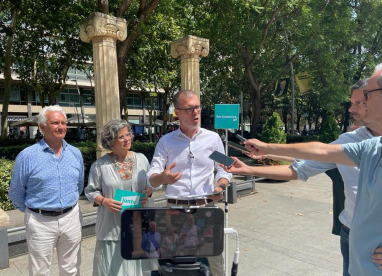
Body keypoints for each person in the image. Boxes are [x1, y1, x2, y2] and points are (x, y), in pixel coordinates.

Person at [228, 64, 382, 276]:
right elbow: (310, 159)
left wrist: (267, 150)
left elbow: (317, 152)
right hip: (353, 234)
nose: (351, 109)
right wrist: (252, 166)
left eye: (362, 99)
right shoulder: (357, 144)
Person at [147, 89, 232, 276]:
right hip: (175, 211)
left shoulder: (212, 139)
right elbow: (152, 175)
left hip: (206, 209)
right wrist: (163, 177)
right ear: (177, 112)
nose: (195, 112)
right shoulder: (166, 142)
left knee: (216, 264)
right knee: (177, 265)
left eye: (198, 107)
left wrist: (221, 186)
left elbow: (224, 167)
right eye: (189, 109)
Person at [9, 105, 84, 276]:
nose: (61, 127)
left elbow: (79, 186)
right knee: (40, 272)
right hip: (39, 220)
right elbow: (16, 192)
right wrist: (34, 211)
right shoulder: (27, 156)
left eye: (63, 123)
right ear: (42, 127)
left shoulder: (75, 153)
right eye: (55, 123)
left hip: (71, 217)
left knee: (71, 268)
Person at [84, 119, 153, 276]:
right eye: (121, 137)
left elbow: (152, 184)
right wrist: (104, 201)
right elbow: (90, 191)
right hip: (112, 226)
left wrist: (148, 192)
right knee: (114, 270)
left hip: (139, 225)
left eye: (128, 134)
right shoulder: (100, 165)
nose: (127, 139)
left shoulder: (142, 159)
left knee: (139, 268)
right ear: (111, 141)